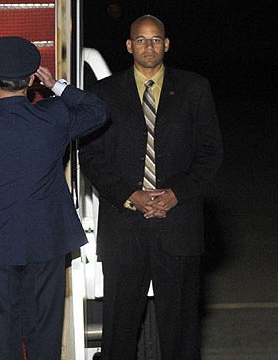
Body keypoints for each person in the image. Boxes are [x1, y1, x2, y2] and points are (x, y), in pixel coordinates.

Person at [0, 36, 109, 360]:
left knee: (4, 339)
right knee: (45, 335)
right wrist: (58, 86)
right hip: (47, 244)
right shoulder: (52, 117)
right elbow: (98, 111)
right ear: (30, 82)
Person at [79, 15, 223, 360]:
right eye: (141, 40)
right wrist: (133, 196)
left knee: (181, 331)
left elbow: (210, 153)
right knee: (119, 331)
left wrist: (176, 194)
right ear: (129, 46)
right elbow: (92, 157)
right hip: (125, 229)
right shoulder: (104, 93)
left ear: (167, 44)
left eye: (156, 39)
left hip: (178, 226)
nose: (149, 46)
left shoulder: (194, 88)